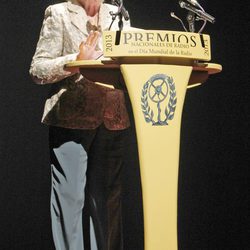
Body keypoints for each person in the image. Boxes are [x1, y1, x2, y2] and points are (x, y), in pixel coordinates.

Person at [29, 0, 131, 249]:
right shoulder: (59, 13)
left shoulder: (119, 14)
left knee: (108, 202)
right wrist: (76, 59)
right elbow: (38, 69)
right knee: (70, 200)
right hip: (71, 120)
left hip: (112, 118)